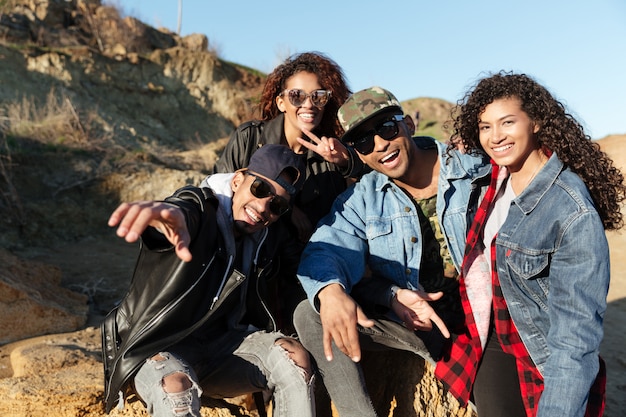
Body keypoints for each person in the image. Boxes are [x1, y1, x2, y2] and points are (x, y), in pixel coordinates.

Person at [435, 71, 625, 417]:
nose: (496, 137)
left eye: (507, 122)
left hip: (542, 352)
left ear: (536, 121)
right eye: (485, 126)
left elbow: (576, 336)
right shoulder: (491, 181)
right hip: (492, 338)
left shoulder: (570, 209)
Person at [292, 86, 491, 417]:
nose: (380, 144)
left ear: (409, 125)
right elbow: (326, 248)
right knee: (309, 313)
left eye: (386, 128)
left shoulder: (472, 170)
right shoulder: (362, 199)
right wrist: (330, 291)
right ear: (358, 152)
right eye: (363, 141)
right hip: (416, 326)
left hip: (485, 323)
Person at [101, 144, 315, 417]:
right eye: (260, 189)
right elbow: (185, 207)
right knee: (176, 387)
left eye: (277, 205)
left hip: (221, 350)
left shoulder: (266, 239)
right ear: (238, 180)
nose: (262, 207)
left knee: (294, 359)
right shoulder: (201, 210)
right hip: (159, 347)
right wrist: (173, 215)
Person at [212, 51, 357, 244]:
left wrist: (347, 163)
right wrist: (287, 209)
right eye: (297, 96)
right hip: (236, 250)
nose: (309, 104)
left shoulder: (332, 157)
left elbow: (353, 217)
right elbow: (218, 191)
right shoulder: (250, 138)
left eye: (318, 96)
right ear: (281, 102)